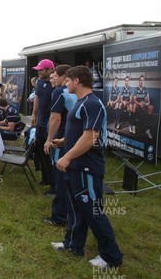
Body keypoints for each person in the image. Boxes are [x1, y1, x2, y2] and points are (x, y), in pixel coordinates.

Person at [51, 65, 123, 269]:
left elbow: (91, 137)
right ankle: (73, 245)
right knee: (75, 209)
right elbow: (80, 132)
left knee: (93, 211)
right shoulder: (81, 102)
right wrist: (64, 141)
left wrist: (66, 157)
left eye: (68, 81)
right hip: (76, 166)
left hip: (86, 168)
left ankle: (111, 257)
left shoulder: (92, 103)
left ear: (77, 81)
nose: (65, 84)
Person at [42, 65, 76, 225]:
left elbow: (55, 117)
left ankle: (59, 216)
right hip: (74, 140)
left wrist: (49, 139)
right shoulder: (77, 93)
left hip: (61, 141)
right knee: (70, 178)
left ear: (64, 77)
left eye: (55, 75)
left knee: (61, 178)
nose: (52, 79)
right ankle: (72, 213)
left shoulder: (60, 92)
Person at [31, 59, 55, 188]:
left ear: (50, 70)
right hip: (40, 121)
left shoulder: (55, 84)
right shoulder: (39, 82)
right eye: (38, 70)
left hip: (51, 123)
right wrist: (34, 114)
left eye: (41, 70)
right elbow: (37, 98)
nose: (39, 72)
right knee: (41, 151)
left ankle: (54, 183)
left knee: (50, 152)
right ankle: (45, 178)